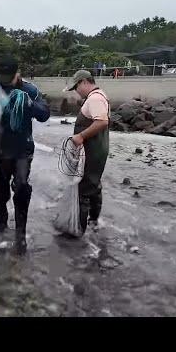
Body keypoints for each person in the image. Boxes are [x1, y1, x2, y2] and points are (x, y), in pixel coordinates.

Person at [0, 56, 50, 254]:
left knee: (22, 188)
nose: (5, 81)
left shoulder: (30, 90)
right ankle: (1, 228)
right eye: (2, 77)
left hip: (22, 150)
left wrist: (30, 104)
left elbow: (45, 114)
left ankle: (20, 236)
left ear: (17, 74)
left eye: (9, 77)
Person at [63, 70, 110, 234]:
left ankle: (77, 231)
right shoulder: (100, 95)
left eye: (76, 87)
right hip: (99, 149)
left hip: (92, 151)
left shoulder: (95, 98)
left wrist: (81, 136)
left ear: (84, 82)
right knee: (94, 185)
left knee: (82, 189)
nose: (76, 91)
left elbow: (102, 121)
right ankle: (94, 221)